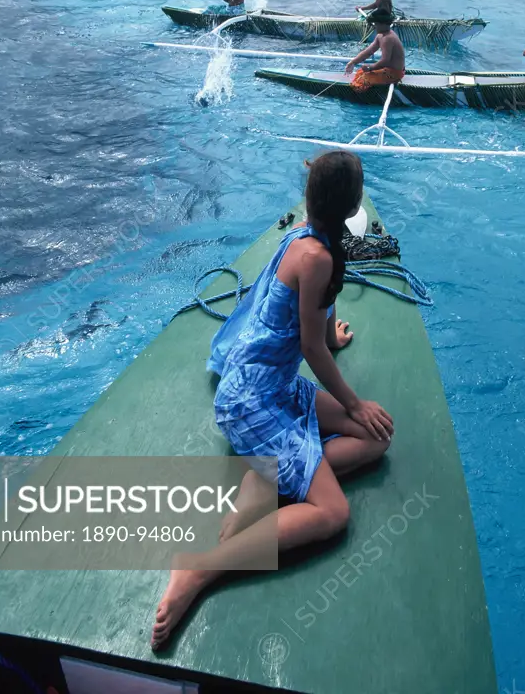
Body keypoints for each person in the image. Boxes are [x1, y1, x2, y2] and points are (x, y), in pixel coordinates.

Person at [151, 152, 393, 649]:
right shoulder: (320, 257)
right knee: (333, 514)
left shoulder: (306, 235)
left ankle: (269, 476)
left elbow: (319, 319)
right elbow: (308, 346)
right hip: (253, 403)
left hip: (271, 386)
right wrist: (353, 400)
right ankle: (201, 568)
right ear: (350, 211)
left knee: (375, 440)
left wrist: (333, 339)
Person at [345, 5, 406, 92]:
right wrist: (353, 62)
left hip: (394, 73)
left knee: (363, 79)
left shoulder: (388, 38)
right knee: (360, 72)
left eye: (376, 24)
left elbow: (385, 60)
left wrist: (370, 67)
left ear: (383, 24)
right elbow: (368, 52)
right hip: (388, 69)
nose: (374, 26)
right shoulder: (381, 35)